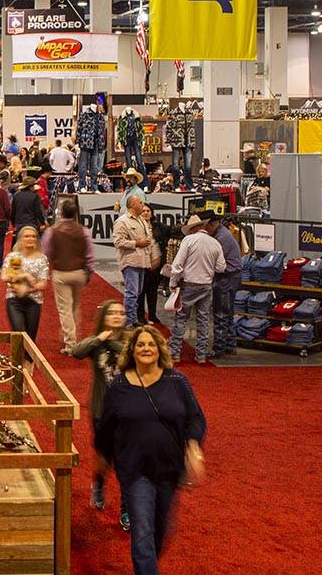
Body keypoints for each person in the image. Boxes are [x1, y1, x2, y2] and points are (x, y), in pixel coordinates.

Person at [96, 325, 207, 575]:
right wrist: (102, 462)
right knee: (142, 530)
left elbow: (196, 419)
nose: (146, 349)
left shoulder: (177, 381)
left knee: (158, 531)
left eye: (151, 344)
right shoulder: (119, 386)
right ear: (132, 351)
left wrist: (193, 444)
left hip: (169, 468)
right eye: (140, 345)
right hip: (135, 470)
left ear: (159, 350)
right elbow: (105, 428)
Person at [69, 300, 131, 521]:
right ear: (104, 317)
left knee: (127, 459)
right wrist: (98, 339)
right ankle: (99, 483)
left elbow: (128, 355)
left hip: (128, 410)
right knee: (104, 454)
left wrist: (110, 343)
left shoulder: (132, 340)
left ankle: (126, 508)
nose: (116, 316)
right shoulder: (98, 341)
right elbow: (75, 352)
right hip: (101, 408)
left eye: (121, 313)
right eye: (112, 313)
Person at [167, 213, 226, 365]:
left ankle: (174, 353)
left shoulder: (188, 240)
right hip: (206, 285)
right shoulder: (215, 243)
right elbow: (221, 268)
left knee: (181, 319)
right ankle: (201, 355)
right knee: (203, 320)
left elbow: (178, 264)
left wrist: (173, 282)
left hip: (189, 284)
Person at [42, 198, 96, 352]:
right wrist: (88, 272)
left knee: (64, 309)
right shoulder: (84, 231)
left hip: (61, 273)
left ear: (61, 213)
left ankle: (71, 343)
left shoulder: (52, 231)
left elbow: (47, 253)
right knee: (74, 305)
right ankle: (72, 335)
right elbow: (90, 255)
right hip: (79, 273)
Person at [0, 226, 50, 343]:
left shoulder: (42, 258)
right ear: (20, 239)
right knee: (19, 335)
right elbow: (4, 277)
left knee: (30, 340)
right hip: (14, 300)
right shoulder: (13, 257)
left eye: (33, 236)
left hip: (34, 302)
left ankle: (27, 360)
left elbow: (43, 284)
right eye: (27, 236)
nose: (30, 239)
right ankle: (18, 361)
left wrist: (27, 290)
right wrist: (24, 276)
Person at [113, 195, 154, 325]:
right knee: (131, 293)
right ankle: (130, 322)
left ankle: (134, 319)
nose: (143, 205)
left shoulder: (141, 220)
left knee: (137, 292)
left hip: (142, 261)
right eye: (140, 202)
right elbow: (118, 242)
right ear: (132, 205)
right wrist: (136, 243)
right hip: (130, 262)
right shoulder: (122, 221)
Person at [210, 216, 244, 358]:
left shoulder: (220, 238)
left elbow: (215, 261)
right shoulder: (223, 233)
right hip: (232, 276)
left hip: (226, 277)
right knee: (227, 312)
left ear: (212, 224)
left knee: (221, 313)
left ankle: (219, 348)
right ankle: (230, 345)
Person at [140, 206, 168, 324]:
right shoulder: (136, 226)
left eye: (148, 211)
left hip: (156, 265)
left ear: (152, 213)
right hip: (141, 264)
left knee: (153, 292)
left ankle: (152, 315)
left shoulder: (159, 227)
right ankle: (140, 316)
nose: (146, 213)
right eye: (143, 211)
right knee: (140, 293)